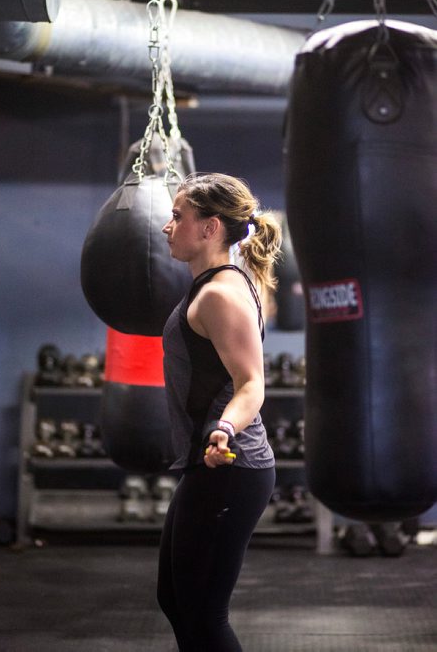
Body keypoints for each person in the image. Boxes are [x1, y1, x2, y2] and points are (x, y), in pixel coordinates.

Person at [158, 172, 282, 651]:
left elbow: (252, 383)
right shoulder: (216, 284)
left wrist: (224, 429)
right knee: (175, 598)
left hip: (231, 465)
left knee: (203, 612)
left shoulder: (219, 294)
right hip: (211, 464)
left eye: (177, 217)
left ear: (210, 228)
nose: (167, 227)